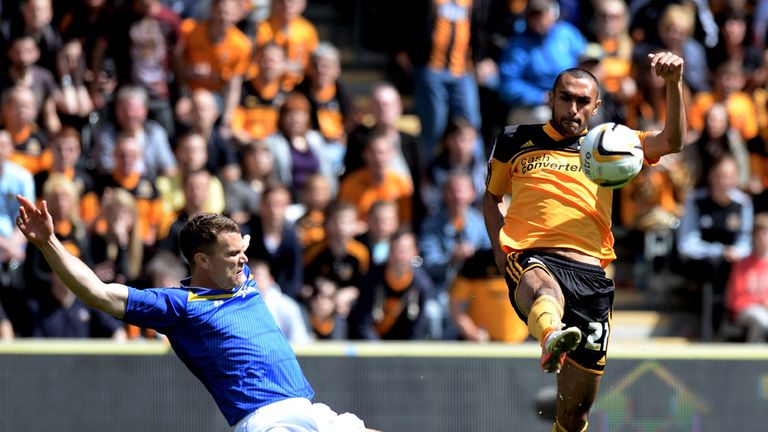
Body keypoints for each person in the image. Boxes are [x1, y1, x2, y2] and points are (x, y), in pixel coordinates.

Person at [15, 196, 377, 432]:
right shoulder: (180, 306)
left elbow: (237, 243)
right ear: (202, 260)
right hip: (266, 421)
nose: (244, 258)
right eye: (233, 253)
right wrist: (48, 242)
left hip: (307, 408)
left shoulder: (240, 275)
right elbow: (97, 292)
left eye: (242, 249)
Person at [483, 52, 686, 432]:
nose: (572, 107)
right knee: (543, 289)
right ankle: (550, 335)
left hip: (591, 275)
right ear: (550, 98)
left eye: (581, 101)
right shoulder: (514, 140)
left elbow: (672, 141)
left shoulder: (611, 142)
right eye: (565, 97)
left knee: (574, 415)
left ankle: (556, 343)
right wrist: (500, 251)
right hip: (531, 253)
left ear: (596, 106)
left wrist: (673, 84)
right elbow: (491, 198)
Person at [725, 213, 768, 342]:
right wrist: (762, 303)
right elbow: (736, 299)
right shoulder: (742, 264)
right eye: (759, 234)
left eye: (766, 233)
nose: (762, 238)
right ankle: (753, 360)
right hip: (747, 311)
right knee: (762, 319)